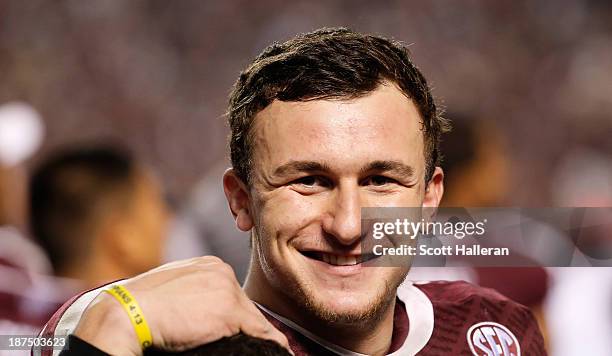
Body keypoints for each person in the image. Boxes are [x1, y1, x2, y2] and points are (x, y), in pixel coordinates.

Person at [37, 28, 545, 356]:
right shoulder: (158, 339)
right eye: (309, 181)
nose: (348, 225)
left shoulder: (496, 329)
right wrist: (106, 325)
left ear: (430, 198)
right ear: (240, 199)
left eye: (380, 180)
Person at [29, 144, 170, 289]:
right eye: (157, 204)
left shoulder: (20, 307)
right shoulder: (149, 309)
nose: (168, 218)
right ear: (123, 236)